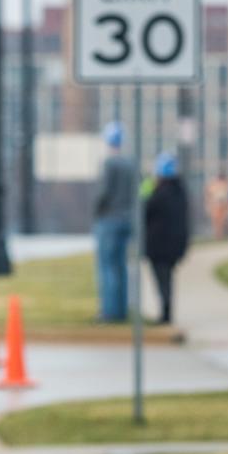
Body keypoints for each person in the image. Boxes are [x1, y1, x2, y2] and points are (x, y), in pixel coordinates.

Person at [93, 122, 135, 322]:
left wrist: (97, 211)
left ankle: (109, 312)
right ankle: (121, 310)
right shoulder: (130, 164)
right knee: (121, 267)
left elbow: (104, 193)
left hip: (109, 219)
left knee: (107, 267)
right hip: (127, 219)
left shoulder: (110, 164)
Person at [143, 153, 190, 325]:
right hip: (174, 246)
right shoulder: (180, 192)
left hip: (159, 246)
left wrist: (147, 190)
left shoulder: (160, 192)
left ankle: (166, 313)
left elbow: (145, 210)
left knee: (162, 281)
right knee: (167, 280)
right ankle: (167, 312)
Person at [206, 169, 228, 239]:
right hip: (215, 204)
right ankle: (217, 234)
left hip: (223, 204)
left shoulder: (226, 184)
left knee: (222, 221)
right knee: (216, 221)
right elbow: (208, 195)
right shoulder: (213, 184)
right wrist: (208, 204)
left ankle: (220, 234)